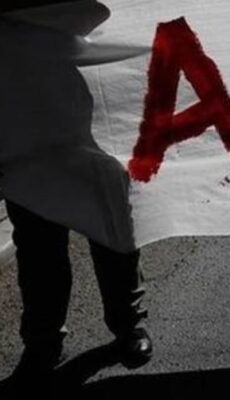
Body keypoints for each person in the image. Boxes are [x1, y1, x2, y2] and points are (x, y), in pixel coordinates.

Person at [0, 0, 153, 387]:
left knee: (113, 228)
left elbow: (103, 13)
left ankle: (127, 324)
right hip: (22, 117)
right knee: (38, 245)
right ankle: (43, 343)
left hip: (92, 106)